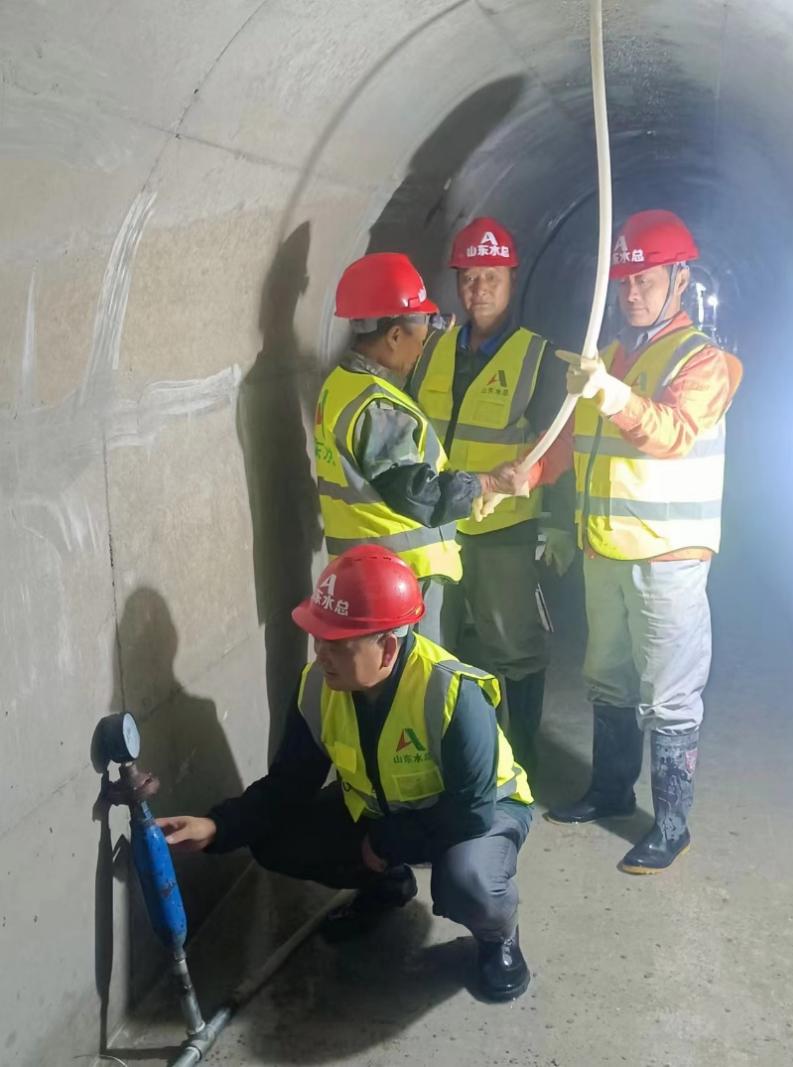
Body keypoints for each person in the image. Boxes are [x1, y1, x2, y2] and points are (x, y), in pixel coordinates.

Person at [156, 546, 535, 1001]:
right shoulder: (319, 686)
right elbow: (288, 785)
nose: (322, 655)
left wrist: (387, 843)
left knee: (467, 882)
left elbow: (470, 812)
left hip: (484, 813)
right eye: (318, 639)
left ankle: (499, 936)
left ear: (387, 648)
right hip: (386, 811)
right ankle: (388, 884)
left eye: (338, 644)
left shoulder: (451, 692)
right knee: (275, 839)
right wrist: (218, 826)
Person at [544, 209, 743, 874]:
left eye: (645, 280)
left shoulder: (702, 360)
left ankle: (671, 825)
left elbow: (672, 433)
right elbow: (576, 444)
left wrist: (608, 393)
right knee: (607, 679)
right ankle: (608, 791)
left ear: (679, 280)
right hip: (605, 549)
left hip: (667, 558)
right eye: (624, 282)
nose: (631, 293)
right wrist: (525, 476)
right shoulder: (615, 357)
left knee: (668, 696)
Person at [408, 218, 575, 775]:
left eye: (491, 278)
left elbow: (560, 445)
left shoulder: (537, 356)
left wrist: (554, 513)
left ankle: (522, 759)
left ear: (512, 280)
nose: (478, 289)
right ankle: (460, 759)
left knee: (514, 646)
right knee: (440, 646)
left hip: (504, 530)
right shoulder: (433, 348)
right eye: (469, 278)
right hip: (441, 526)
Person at [313, 251, 531, 644]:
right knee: (418, 676)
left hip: (367, 571)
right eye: (422, 332)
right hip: (402, 578)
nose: (426, 344)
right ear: (395, 336)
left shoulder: (341, 385)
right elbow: (417, 492)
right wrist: (485, 484)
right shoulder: (378, 407)